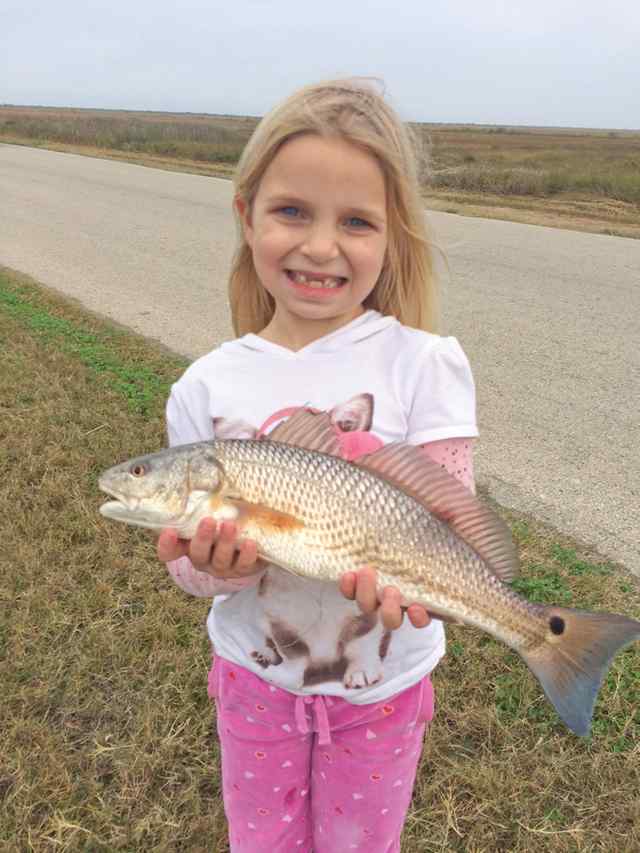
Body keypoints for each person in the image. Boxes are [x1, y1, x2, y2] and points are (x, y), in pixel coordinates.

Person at [157, 78, 477, 852]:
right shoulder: (205, 385)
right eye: (292, 211)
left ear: (392, 235)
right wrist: (214, 566)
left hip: (385, 691)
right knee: (259, 841)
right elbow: (187, 574)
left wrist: (423, 586)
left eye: (357, 221)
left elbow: (452, 524)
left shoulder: (425, 363)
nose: (320, 245)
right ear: (247, 215)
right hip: (253, 683)